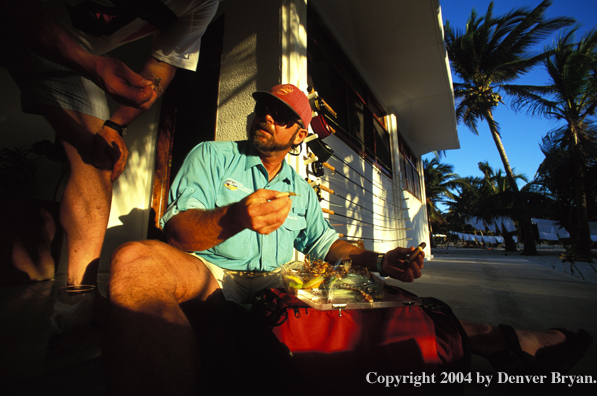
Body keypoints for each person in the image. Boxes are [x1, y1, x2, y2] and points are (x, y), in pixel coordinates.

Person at [104, 84, 591, 394]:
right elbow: (177, 230)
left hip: (279, 280)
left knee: (398, 310)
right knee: (134, 259)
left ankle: (510, 342)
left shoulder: (299, 189)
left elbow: (328, 247)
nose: (266, 116)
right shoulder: (212, 155)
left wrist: (381, 260)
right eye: (263, 107)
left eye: (280, 114)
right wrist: (232, 218)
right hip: (209, 273)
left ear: (299, 135)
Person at [0, 0, 220, 287]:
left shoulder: (203, 4)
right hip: (24, 28)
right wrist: (91, 65)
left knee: (99, 159)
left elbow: (162, 65)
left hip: (73, 65)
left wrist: (114, 125)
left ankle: (77, 297)